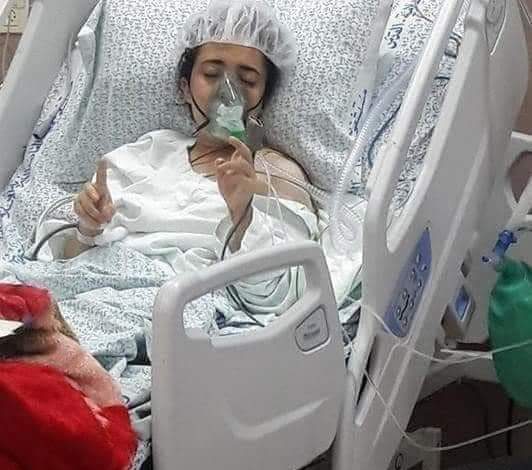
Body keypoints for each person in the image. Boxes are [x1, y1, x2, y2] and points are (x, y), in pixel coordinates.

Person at [65, 0, 319, 321]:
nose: (229, 92)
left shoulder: (276, 175)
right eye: (212, 74)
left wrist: (242, 217)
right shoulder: (144, 153)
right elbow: (66, 265)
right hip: (88, 299)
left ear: (264, 98)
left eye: (248, 80)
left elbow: (279, 301)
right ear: (185, 89)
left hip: (175, 318)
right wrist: (88, 228)